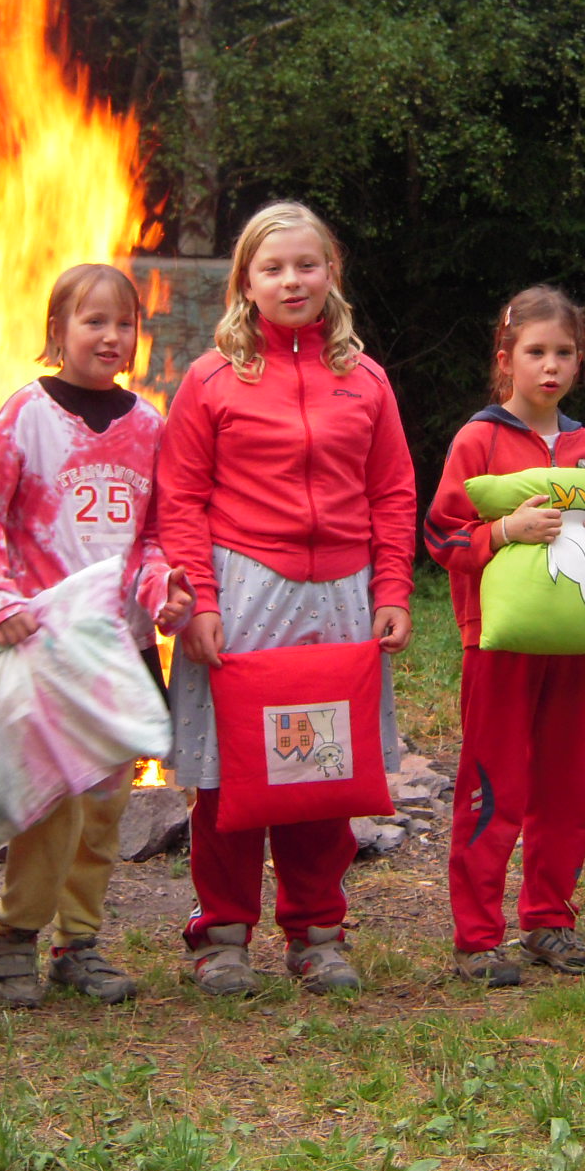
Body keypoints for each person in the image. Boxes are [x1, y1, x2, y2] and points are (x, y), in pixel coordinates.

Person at [155, 202, 416, 996]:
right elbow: (180, 497)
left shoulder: (365, 380)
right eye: (273, 268)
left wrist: (392, 586)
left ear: (331, 273)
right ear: (247, 282)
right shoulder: (211, 378)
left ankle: (317, 932)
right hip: (244, 589)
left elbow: (392, 491)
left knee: (321, 770)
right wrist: (199, 599)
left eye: (307, 265)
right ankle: (222, 935)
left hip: (338, 595)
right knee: (229, 774)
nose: (292, 281)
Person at [0, 263, 191, 1008]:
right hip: (46, 648)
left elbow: (150, 539)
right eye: (93, 322)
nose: (110, 336)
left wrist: (162, 592)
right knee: (51, 804)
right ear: (57, 331)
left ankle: (78, 943)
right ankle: (15, 935)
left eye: (124, 324)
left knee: (105, 806)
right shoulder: (26, 415)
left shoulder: (148, 425)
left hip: (117, 651)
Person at [424, 286, 585, 985]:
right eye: (536, 352)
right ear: (506, 359)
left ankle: (550, 921)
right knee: (494, 784)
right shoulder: (479, 439)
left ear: (580, 361)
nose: (551, 366)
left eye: (564, 353)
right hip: (497, 645)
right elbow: (440, 534)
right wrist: (503, 531)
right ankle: (477, 938)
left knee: (565, 787)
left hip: (570, 643)